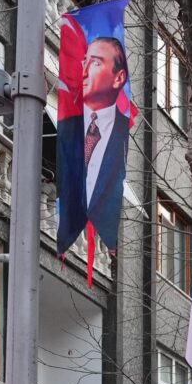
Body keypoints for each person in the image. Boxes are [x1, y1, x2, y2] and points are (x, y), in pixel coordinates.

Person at [52, 31, 130, 255]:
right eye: (84, 62)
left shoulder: (123, 136)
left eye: (95, 63)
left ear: (118, 78)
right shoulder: (67, 128)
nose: (84, 72)